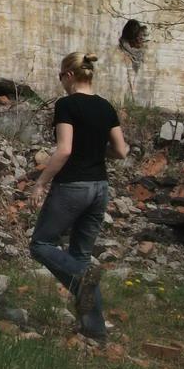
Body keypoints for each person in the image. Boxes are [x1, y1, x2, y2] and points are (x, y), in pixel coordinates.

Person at [29, 53, 130, 340]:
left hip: (73, 186)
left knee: (40, 244)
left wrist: (40, 183)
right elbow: (121, 151)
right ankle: (94, 330)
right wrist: (96, 150)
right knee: (80, 256)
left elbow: (64, 150)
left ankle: (83, 280)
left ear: (70, 75)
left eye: (61, 77)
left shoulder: (67, 104)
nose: (61, 82)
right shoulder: (106, 106)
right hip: (100, 188)